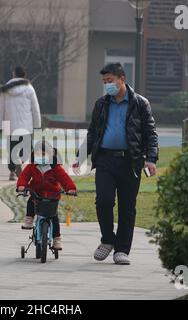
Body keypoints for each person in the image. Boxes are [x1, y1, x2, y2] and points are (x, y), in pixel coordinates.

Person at [73, 63, 159, 265]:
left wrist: (151, 159)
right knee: (103, 200)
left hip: (131, 161)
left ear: (122, 78)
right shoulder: (101, 104)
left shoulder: (140, 103)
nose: (107, 85)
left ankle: (121, 250)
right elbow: (93, 132)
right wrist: (81, 156)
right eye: (104, 82)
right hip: (105, 159)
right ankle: (107, 240)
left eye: (110, 81)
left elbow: (150, 133)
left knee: (127, 207)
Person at [17, 140, 77, 251]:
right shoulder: (32, 166)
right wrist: (21, 186)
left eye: (44, 154)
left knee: (54, 217)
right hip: (37, 194)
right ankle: (29, 219)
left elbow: (65, 179)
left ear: (51, 154)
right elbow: (24, 176)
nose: (41, 156)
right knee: (31, 202)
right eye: (38, 154)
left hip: (52, 196)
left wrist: (71, 188)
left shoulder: (55, 167)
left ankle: (56, 239)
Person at [0, 66, 41, 181]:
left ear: (13, 74)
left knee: (11, 148)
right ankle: (20, 162)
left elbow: (0, 108)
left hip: (9, 124)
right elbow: (35, 108)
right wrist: (37, 125)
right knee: (27, 149)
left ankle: (12, 171)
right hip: (26, 125)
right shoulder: (29, 88)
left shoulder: (5, 89)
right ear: (24, 75)